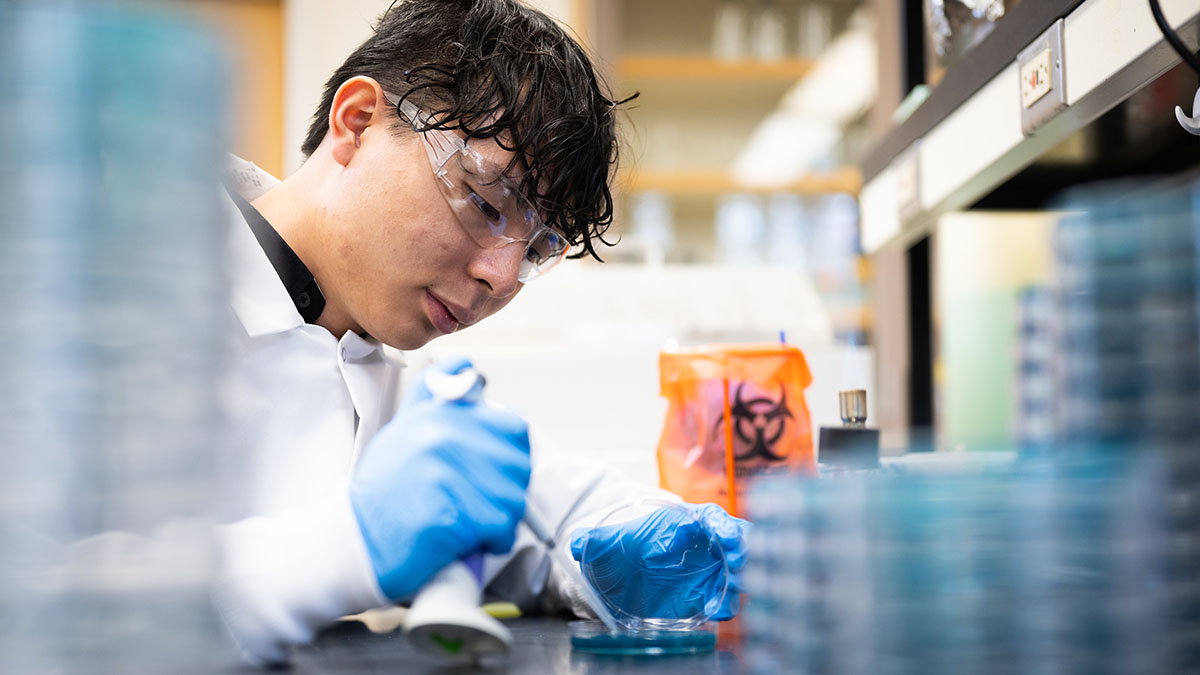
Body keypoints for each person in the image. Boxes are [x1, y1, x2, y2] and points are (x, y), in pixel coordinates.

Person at [214, 0, 748, 666]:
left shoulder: (370, 368)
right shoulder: (117, 284)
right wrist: (349, 545)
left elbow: (557, 510)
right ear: (357, 122)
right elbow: (64, 590)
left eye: (534, 252)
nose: (501, 278)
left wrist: (636, 548)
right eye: (486, 203)